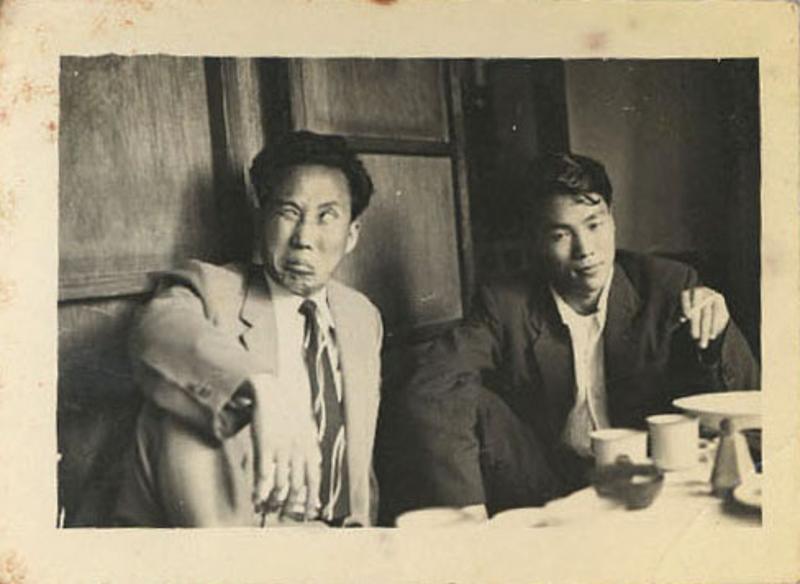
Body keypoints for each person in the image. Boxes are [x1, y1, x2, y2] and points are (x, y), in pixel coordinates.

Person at [382, 152, 759, 520]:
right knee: (466, 396)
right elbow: (431, 387)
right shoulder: (504, 302)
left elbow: (745, 401)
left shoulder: (669, 286)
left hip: (643, 478)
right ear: (535, 241)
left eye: (594, 225)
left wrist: (717, 336)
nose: (585, 250)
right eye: (561, 234)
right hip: (544, 481)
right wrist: (466, 516)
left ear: (612, 220)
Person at [115, 131, 383, 527]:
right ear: (262, 219)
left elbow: (360, 467)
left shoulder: (361, 316)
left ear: (352, 234)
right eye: (289, 212)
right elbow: (156, 327)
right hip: (249, 537)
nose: (304, 239)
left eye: (326, 216)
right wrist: (260, 387)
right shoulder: (215, 290)